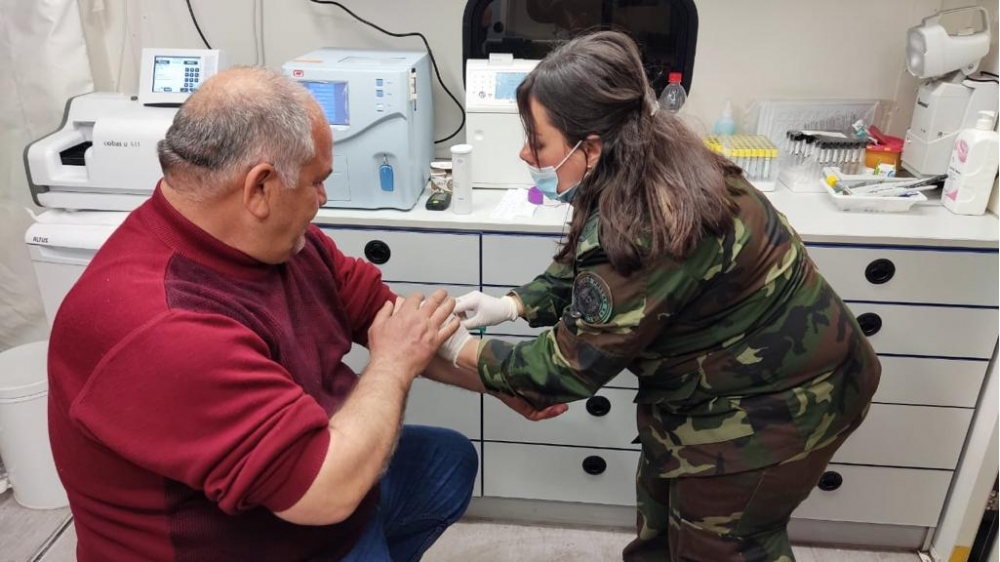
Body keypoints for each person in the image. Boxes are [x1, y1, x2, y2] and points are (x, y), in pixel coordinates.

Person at [46, 67, 561, 562]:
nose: (323, 198)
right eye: (317, 181)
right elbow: (324, 494)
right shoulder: (163, 326)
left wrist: (503, 378)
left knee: (445, 462)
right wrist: (390, 365)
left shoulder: (280, 243)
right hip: (272, 522)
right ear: (260, 188)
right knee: (351, 490)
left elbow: (387, 317)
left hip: (313, 472)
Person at [448, 31, 881, 561]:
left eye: (536, 142)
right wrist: (514, 304)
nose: (524, 152)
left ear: (591, 147)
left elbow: (565, 369)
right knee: (660, 525)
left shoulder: (652, 218)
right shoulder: (639, 160)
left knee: (722, 547)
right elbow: (586, 265)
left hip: (779, 406)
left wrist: (454, 348)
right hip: (706, 393)